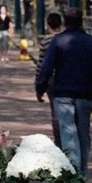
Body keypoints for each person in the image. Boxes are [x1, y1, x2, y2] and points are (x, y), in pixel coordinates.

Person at [36, 8, 92, 178]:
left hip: (63, 94)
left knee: (68, 132)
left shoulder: (58, 41)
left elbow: (47, 67)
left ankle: (74, 171)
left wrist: (40, 87)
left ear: (65, 22)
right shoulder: (91, 42)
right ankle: (83, 169)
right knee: (83, 133)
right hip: (85, 94)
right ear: (81, 21)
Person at [35, 12, 62, 147]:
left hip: (52, 79)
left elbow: (41, 64)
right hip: (66, 78)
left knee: (55, 112)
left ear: (48, 25)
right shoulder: (66, 39)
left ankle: (59, 140)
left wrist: (39, 85)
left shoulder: (45, 41)